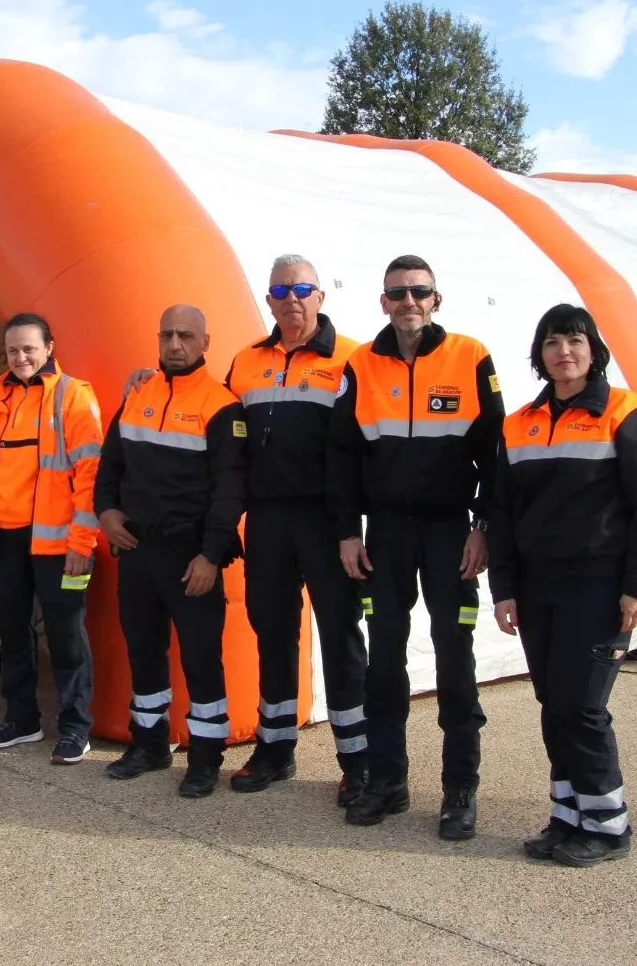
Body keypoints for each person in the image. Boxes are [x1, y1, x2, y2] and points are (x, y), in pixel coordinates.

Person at [490, 303, 637, 868]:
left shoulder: (629, 412)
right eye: (551, 342)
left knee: (582, 706)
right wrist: (505, 588)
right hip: (538, 586)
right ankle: (568, 815)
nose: (563, 352)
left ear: (593, 349)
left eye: (574, 340)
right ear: (539, 354)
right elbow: (500, 511)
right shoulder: (520, 421)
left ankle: (609, 824)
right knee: (555, 704)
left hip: (598, 586)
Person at [329, 254, 504, 836]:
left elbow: (496, 453)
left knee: (455, 658)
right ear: (383, 301)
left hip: (452, 531)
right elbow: (343, 456)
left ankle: (460, 789)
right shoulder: (361, 362)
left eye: (419, 293)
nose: (409, 302)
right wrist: (347, 533)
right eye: (398, 293)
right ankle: (388, 781)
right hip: (386, 535)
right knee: (384, 660)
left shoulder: (470, 356)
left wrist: (484, 527)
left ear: (437, 300)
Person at [223, 255, 369, 805]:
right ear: (268, 300)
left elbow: (366, 448)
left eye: (302, 288)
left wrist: (353, 527)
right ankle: (275, 748)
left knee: (340, 634)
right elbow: (222, 433)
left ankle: (356, 759)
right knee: (274, 632)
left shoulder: (355, 357)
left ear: (320, 296)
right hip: (267, 520)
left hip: (329, 523)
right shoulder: (245, 361)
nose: (292, 298)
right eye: (281, 290)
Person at [96, 304, 247, 798]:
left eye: (185, 336)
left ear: (205, 342)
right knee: (144, 653)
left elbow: (230, 492)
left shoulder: (222, 405)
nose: (175, 345)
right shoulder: (139, 392)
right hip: (137, 551)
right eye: (167, 335)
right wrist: (107, 512)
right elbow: (110, 464)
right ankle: (149, 745)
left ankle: (205, 758)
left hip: (191, 558)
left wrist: (210, 555)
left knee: (202, 660)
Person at [0, 313, 102, 763]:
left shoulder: (73, 396)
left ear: (49, 347)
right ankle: (21, 720)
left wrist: (82, 542)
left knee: (66, 637)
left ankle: (75, 727)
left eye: (29, 349)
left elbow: (91, 475)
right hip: (6, 541)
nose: (21, 358)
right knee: (14, 633)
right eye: (13, 351)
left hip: (61, 547)